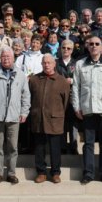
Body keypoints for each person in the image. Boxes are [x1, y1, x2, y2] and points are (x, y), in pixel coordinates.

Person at [72, 35, 102, 184]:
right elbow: (75, 88)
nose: (94, 46)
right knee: (88, 143)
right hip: (87, 108)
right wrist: (76, 107)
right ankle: (88, 173)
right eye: (91, 44)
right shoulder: (80, 64)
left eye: (97, 44)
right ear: (87, 46)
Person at [0, 47, 31, 184]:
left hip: (14, 116)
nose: (5, 59)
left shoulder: (20, 75)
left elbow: (26, 96)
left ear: (13, 58)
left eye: (8, 57)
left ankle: (11, 173)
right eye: (3, 57)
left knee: (13, 147)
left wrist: (24, 112)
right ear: (0, 59)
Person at [29, 54, 71, 183]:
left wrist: (57, 112)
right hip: (38, 118)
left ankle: (55, 172)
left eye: (49, 62)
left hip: (55, 119)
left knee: (55, 148)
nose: (46, 65)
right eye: (44, 62)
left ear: (54, 64)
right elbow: (30, 98)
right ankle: (41, 172)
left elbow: (66, 102)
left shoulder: (62, 81)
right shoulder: (34, 80)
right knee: (39, 147)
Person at [56, 39, 79, 154]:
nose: (66, 50)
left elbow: (82, 80)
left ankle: (74, 145)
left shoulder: (77, 64)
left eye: (68, 48)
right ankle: (63, 146)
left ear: (72, 50)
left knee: (73, 122)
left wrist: (73, 80)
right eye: (63, 47)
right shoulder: (56, 63)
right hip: (59, 97)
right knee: (62, 121)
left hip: (73, 96)